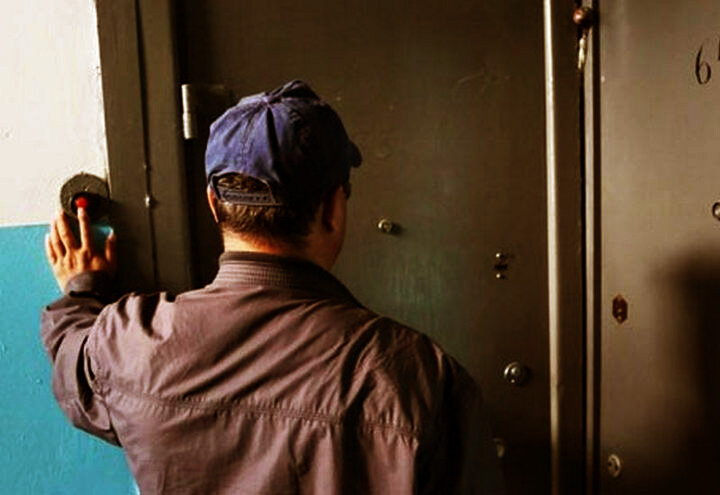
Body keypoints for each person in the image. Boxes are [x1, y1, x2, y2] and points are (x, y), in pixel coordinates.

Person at [42, 80, 503, 494]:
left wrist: (82, 289)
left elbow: (73, 363)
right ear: (333, 209)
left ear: (213, 204)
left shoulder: (130, 342)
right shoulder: (421, 378)